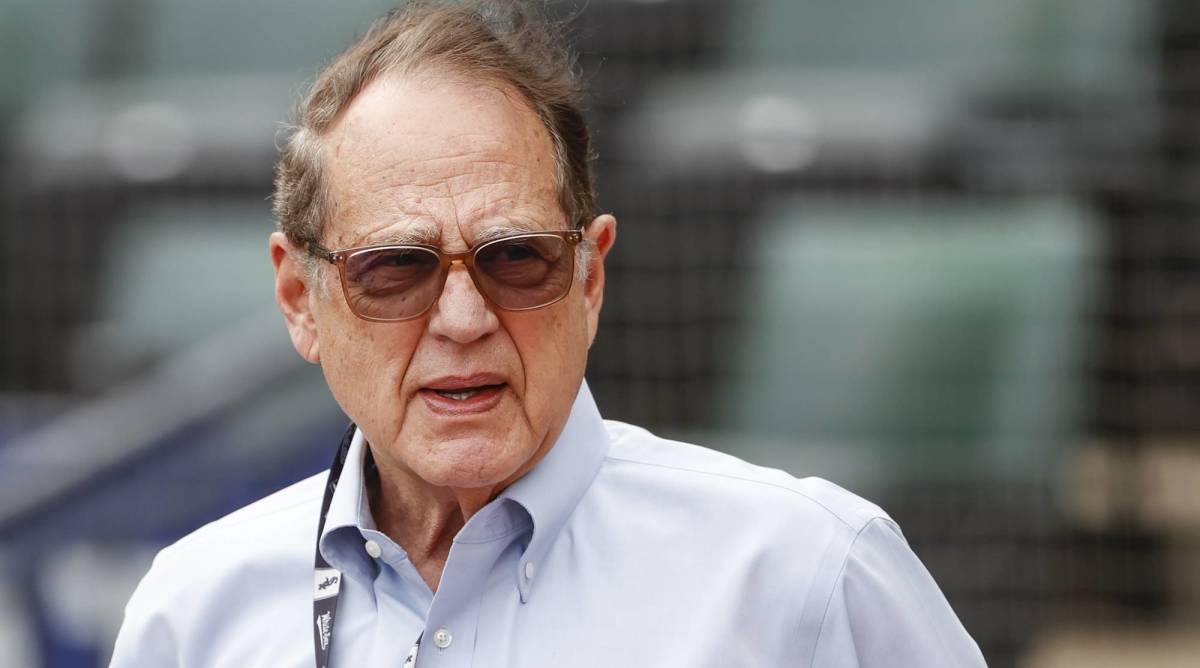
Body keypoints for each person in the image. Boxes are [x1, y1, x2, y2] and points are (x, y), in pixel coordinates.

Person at [110, 2, 987, 666]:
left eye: (517, 259)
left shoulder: (804, 572)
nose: (462, 320)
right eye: (396, 270)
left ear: (591, 277)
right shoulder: (193, 614)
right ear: (301, 298)